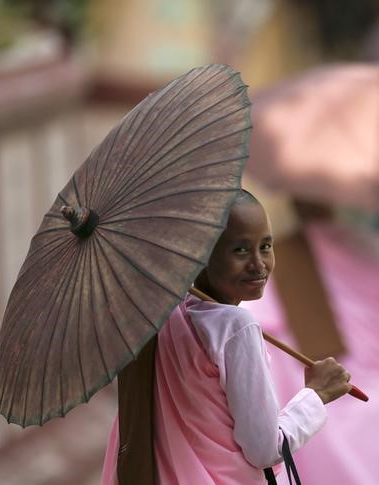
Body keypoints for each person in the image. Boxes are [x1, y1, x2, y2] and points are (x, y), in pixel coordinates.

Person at [101, 190, 353, 484]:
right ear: (201, 252)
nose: (258, 264)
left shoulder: (162, 316)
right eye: (240, 250)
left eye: (266, 246)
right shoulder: (237, 326)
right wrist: (317, 394)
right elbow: (264, 449)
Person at [243, 199, 379, 485]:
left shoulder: (268, 271)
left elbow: (256, 339)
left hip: (315, 416)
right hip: (375, 403)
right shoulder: (372, 250)